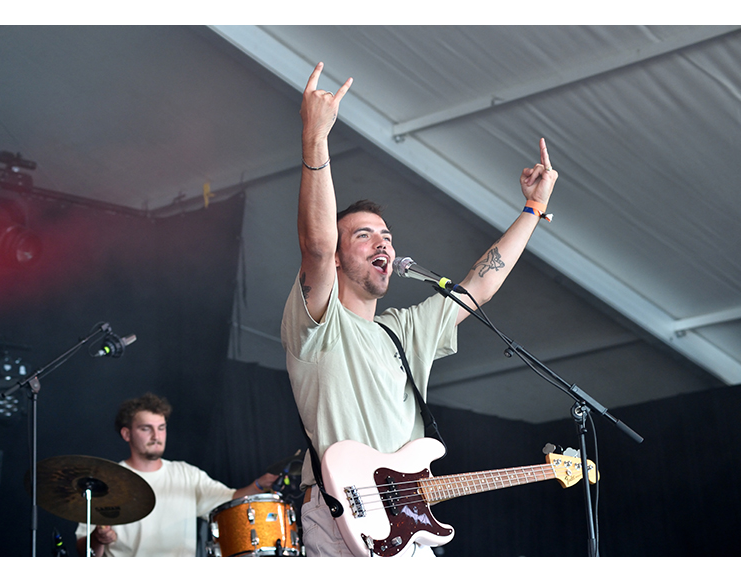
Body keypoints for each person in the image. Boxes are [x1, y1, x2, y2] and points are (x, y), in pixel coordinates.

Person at [280, 62, 559, 557]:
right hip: (344, 517)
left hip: (406, 525)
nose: (381, 243)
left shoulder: (402, 331)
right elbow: (316, 245)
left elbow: (480, 285)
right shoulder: (318, 320)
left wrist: (533, 209)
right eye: (363, 235)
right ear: (342, 256)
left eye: (386, 236)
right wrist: (314, 137)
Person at [75, 393, 277, 556]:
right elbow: (82, 548)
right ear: (127, 434)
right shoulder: (106, 482)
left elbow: (229, 503)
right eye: (147, 429)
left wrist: (260, 484)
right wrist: (98, 538)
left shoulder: (186, 474)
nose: (156, 436)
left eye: (161, 428)